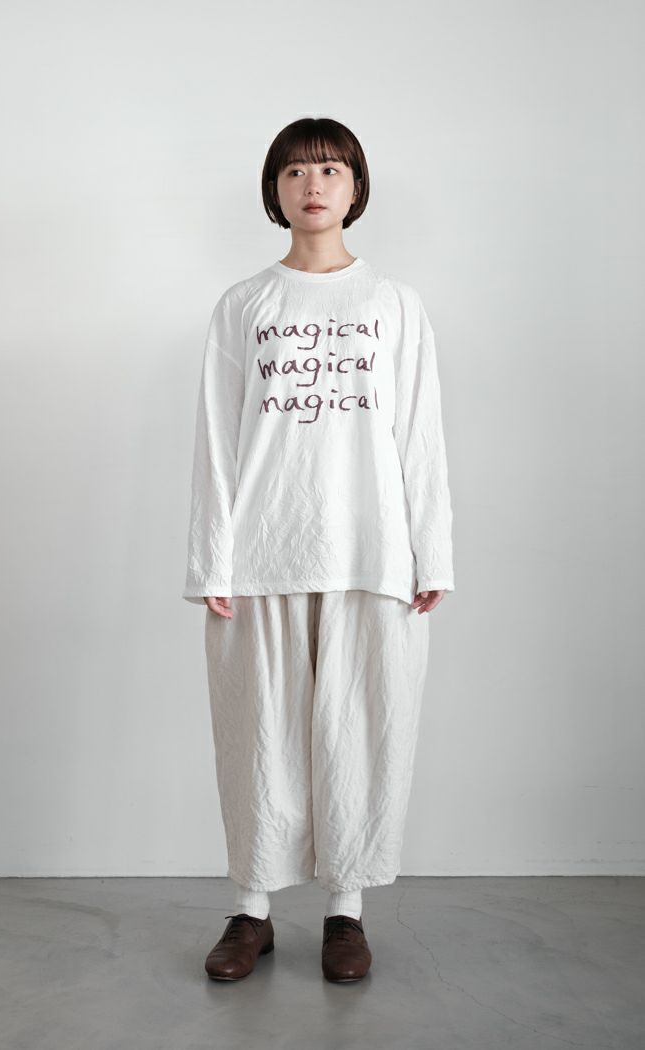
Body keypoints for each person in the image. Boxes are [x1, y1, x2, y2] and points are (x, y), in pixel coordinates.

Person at [183, 116, 455, 982]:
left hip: (370, 550)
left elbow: (420, 435)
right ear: (274, 190)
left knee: (360, 731)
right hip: (263, 549)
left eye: (331, 169)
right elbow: (217, 440)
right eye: (296, 171)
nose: (313, 184)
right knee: (256, 734)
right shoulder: (244, 304)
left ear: (356, 187)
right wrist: (211, 559)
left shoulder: (394, 303)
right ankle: (251, 911)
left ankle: (346, 914)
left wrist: (432, 552)